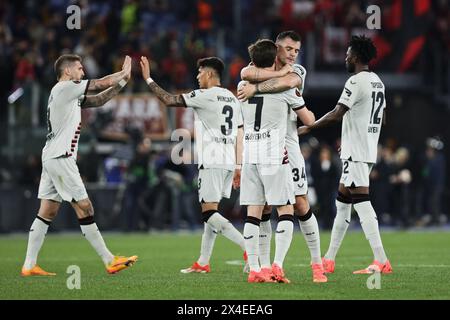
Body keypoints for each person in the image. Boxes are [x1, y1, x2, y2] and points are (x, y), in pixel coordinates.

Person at [22, 54, 138, 276]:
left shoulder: (67, 94)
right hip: (61, 157)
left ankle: (29, 265)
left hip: (52, 156)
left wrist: (123, 81)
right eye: (79, 68)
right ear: (67, 72)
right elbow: (100, 83)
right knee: (85, 207)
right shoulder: (65, 88)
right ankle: (109, 259)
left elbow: (100, 99)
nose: (82, 72)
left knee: (48, 210)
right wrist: (122, 73)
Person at [139, 55, 248, 273]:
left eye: (199, 72)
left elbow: (169, 100)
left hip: (211, 160)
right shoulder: (232, 98)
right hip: (227, 162)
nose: (197, 77)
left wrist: (149, 79)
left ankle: (249, 248)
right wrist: (238, 166)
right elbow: (240, 134)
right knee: (212, 211)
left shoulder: (204, 95)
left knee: (208, 213)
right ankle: (203, 261)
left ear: (209, 74)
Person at [298, 35, 393, 274]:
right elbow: (381, 116)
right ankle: (329, 258)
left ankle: (381, 259)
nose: (345, 57)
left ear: (358, 57)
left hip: (357, 152)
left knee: (361, 202)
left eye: (348, 54)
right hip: (365, 149)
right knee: (343, 203)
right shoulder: (378, 81)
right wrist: (356, 138)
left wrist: (309, 127)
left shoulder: (355, 81)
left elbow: (337, 112)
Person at [238, 31, 327, 283]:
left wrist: (255, 89)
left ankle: (316, 264)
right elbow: (247, 74)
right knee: (265, 207)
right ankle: (267, 267)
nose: (292, 54)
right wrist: (259, 83)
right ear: (276, 48)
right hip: (271, 147)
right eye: (288, 49)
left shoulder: (296, 70)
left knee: (300, 203)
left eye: (296, 50)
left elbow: (288, 83)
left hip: (288, 146)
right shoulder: (253, 70)